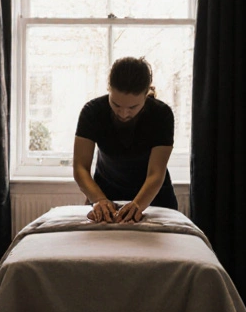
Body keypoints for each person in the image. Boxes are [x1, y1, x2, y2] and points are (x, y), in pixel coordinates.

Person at [73, 57, 178, 223]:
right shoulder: (92, 112)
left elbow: (156, 173)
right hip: (104, 196)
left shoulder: (161, 115)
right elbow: (80, 168)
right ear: (109, 89)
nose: (123, 113)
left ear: (146, 95)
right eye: (116, 105)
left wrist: (138, 205)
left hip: (153, 198)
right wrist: (99, 200)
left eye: (132, 107)